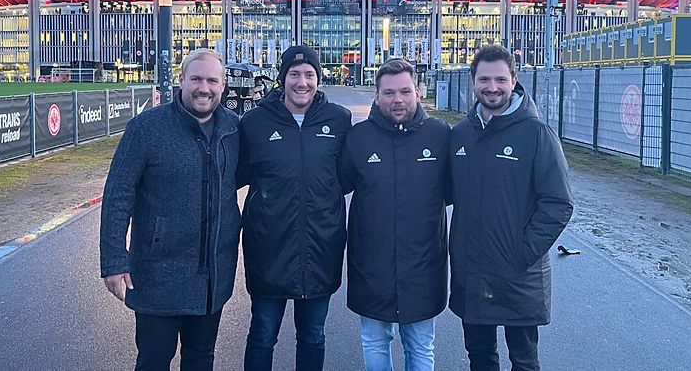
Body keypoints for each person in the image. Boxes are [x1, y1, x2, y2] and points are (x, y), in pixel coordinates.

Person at [99, 48, 241, 371]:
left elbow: (242, 176)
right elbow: (118, 194)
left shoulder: (233, 129)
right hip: (157, 276)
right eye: (196, 79)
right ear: (181, 81)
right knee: (153, 360)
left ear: (223, 85)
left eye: (211, 80)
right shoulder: (146, 129)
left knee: (200, 359)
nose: (203, 88)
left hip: (210, 277)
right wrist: (113, 260)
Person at [448, 44, 574, 371]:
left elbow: (558, 203)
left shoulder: (536, 134)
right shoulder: (461, 135)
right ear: (472, 81)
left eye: (500, 80)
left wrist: (523, 252)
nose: (492, 87)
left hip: (519, 275)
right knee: (480, 357)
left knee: (524, 361)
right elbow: (444, 192)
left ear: (514, 80)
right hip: (472, 273)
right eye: (484, 80)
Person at [237, 45, 353, 371]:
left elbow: (345, 177)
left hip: (320, 249)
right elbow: (236, 173)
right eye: (294, 74)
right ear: (282, 78)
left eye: (309, 75)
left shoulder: (339, 120)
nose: (302, 82)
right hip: (268, 249)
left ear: (318, 79)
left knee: (313, 336)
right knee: (262, 335)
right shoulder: (255, 122)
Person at [339, 58, 450, 371]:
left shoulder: (439, 135)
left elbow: (453, 191)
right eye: (388, 93)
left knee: (420, 345)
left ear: (417, 92)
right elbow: (339, 186)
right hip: (371, 264)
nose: (397, 100)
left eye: (404, 91)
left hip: (423, 265)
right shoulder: (359, 138)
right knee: (375, 341)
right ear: (377, 96)